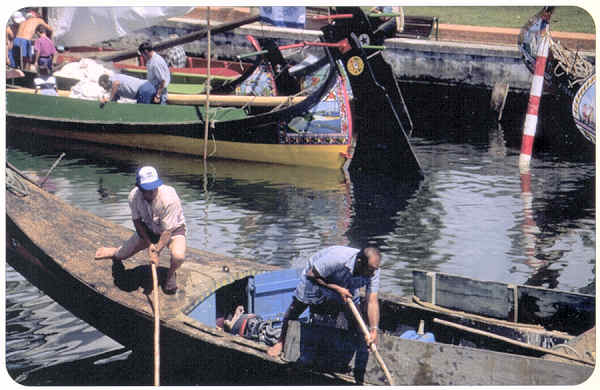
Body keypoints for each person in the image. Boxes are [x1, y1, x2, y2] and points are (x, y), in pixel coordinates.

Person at [266, 246, 381, 357]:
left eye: (375, 270)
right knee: (296, 307)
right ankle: (281, 341)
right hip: (317, 277)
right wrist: (337, 288)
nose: (373, 274)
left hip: (347, 284)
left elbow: (372, 301)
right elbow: (312, 275)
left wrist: (374, 329)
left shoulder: (373, 270)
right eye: (370, 270)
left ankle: (355, 348)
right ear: (359, 262)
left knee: (355, 319)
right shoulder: (337, 258)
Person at [94, 166, 186, 294]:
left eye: (154, 188)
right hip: (148, 229)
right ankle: (114, 251)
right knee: (121, 255)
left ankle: (170, 275)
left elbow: (167, 232)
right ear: (139, 187)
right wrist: (149, 244)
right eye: (147, 189)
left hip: (173, 231)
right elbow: (137, 222)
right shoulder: (133, 196)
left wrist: (156, 251)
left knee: (178, 256)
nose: (152, 192)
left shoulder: (169, 199)